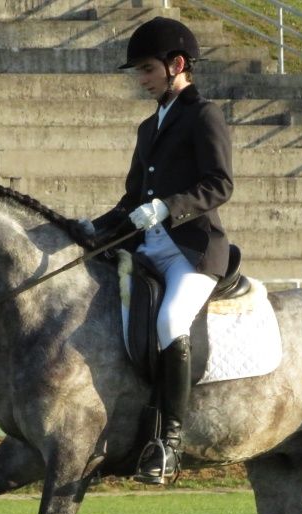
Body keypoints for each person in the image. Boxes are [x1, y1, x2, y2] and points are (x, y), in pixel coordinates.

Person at [87, 17, 235, 485]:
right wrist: (91, 228)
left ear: (177, 65)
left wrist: (168, 208)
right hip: (148, 247)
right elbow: (132, 200)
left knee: (171, 322)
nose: (142, 77)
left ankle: (169, 443)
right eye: (139, 70)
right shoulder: (148, 127)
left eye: (147, 68)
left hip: (192, 252)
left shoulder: (204, 114)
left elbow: (219, 184)